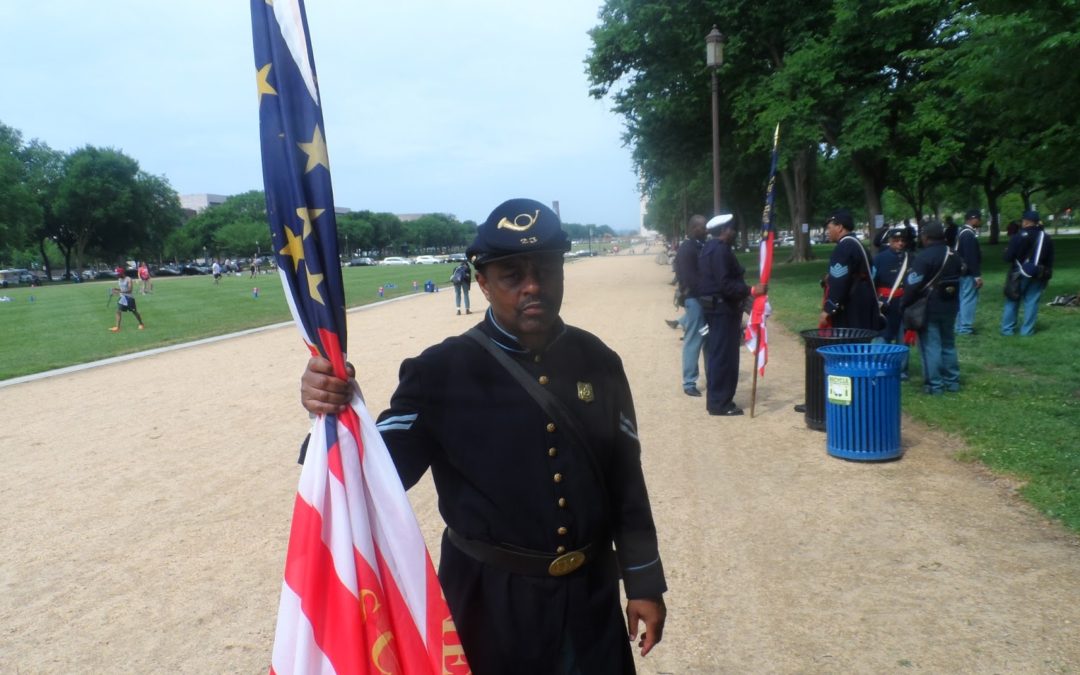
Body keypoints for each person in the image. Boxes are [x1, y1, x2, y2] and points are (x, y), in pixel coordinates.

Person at [300, 198, 667, 674]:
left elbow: (626, 483)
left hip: (590, 602)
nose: (533, 287)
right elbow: (371, 466)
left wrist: (643, 583)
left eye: (546, 270)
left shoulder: (600, 361)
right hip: (488, 607)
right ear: (483, 282)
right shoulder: (440, 371)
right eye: (512, 275)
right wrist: (331, 413)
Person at [697, 214, 765, 416]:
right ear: (723, 230)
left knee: (718, 355)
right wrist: (751, 291)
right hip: (723, 310)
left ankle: (718, 400)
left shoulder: (709, 248)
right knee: (724, 357)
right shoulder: (719, 251)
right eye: (731, 228)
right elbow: (725, 284)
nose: (734, 232)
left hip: (716, 309)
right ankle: (720, 403)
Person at [901, 221, 963, 395]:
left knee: (930, 346)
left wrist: (904, 303)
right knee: (949, 345)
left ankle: (934, 385)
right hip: (950, 305)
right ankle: (952, 382)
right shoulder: (953, 254)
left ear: (926, 237)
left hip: (929, 307)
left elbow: (912, 284)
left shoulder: (925, 257)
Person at [819, 209, 882, 330]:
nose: (827, 232)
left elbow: (839, 282)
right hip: (865, 299)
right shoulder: (857, 244)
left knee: (849, 345)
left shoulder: (843, 247)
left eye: (829, 227)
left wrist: (829, 308)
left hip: (852, 305)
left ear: (839, 227)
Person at [670, 214, 708, 396]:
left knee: (707, 338)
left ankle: (710, 375)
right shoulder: (687, 249)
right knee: (694, 340)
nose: (706, 229)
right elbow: (690, 279)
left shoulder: (699, 246)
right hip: (694, 300)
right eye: (703, 227)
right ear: (694, 229)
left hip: (705, 300)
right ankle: (689, 382)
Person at [1001, 210, 1055, 336]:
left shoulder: (1018, 236)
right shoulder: (1046, 237)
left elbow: (1008, 258)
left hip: (1018, 273)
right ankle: (1027, 331)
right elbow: (1050, 259)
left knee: (1012, 300)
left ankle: (1007, 330)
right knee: (1032, 302)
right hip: (1039, 273)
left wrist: (1006, 252)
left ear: (1025, 222)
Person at [872, 226, 913, 379]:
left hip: (905, 303)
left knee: (903, 338)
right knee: (882, 337)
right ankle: (880, 367)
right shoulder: (880, 258)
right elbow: (872, 282)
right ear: (889, 241)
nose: (900, 243)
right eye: (896, 240)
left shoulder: (911, 258)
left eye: (902, 240)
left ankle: (902, 370)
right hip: (886, 304)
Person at [953, 209, 984, 334]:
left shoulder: (962, 232)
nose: (979, 221)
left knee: (962, 299)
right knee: (968, 299)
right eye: (978, 218)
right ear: (973, 219)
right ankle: (965, 327)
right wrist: (977, 276)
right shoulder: (968, 234)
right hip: (968, 273)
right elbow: (971, 257)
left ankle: (959, 326)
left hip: (961, 271)